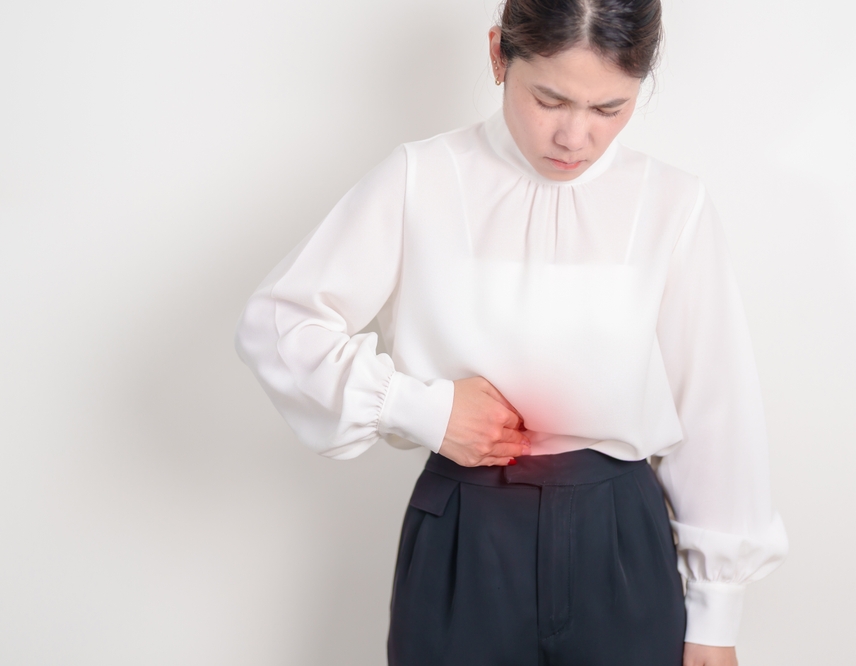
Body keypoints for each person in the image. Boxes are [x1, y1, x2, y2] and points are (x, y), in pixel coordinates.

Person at [234, 1, 788, 664]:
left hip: (622, 543)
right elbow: (279, 322)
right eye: (550, 100)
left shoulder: (673, 203)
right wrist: (419, 407)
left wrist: (717, 614)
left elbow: (714, 406)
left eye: (609, 108)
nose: (574, 137)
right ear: (499, 55)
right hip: (465, 534)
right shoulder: (422, 177)